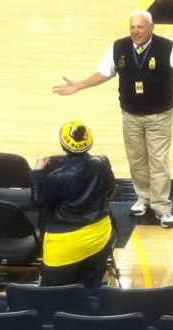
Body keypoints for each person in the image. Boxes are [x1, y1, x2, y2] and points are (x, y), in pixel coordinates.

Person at [52, 11, 173, 228]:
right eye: (132, 27)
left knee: (158, 162)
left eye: (140, 27)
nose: (136, 31)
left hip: (159, 116)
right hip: (130, 115)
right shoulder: (119, 47)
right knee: (136, 160)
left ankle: (162, 207)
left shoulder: (168, 47)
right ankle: (143, 198)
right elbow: (104, 72)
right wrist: (80, 84)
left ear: (151, 27)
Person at [32, 121, 115, 293]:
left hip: (65, 242)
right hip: (98, 236)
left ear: (64, 145)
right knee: (91, 291)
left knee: (55, 295)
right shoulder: (103, 163)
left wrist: (37, 174)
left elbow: (39, 202)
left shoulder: (56, 176)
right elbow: (110, 190)